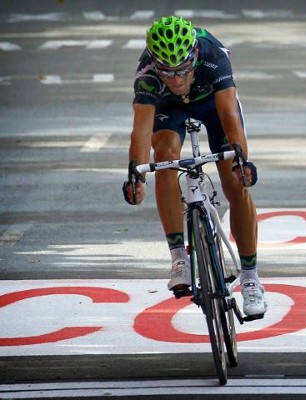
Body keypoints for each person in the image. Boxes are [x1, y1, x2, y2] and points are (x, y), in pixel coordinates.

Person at [122, 16, 266, 318]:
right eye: (167, 72)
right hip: (169, 110)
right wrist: (135, 175)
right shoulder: (147, 72)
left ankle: (251, 278)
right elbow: (141, 131)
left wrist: (241, 158)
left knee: (235, 181)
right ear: (156, 65)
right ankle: (179, 258)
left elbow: (229, 112)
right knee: (164, 157)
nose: (175, 80)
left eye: (182, 71)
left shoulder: (213, 54)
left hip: (213, 105)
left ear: (194, 57)